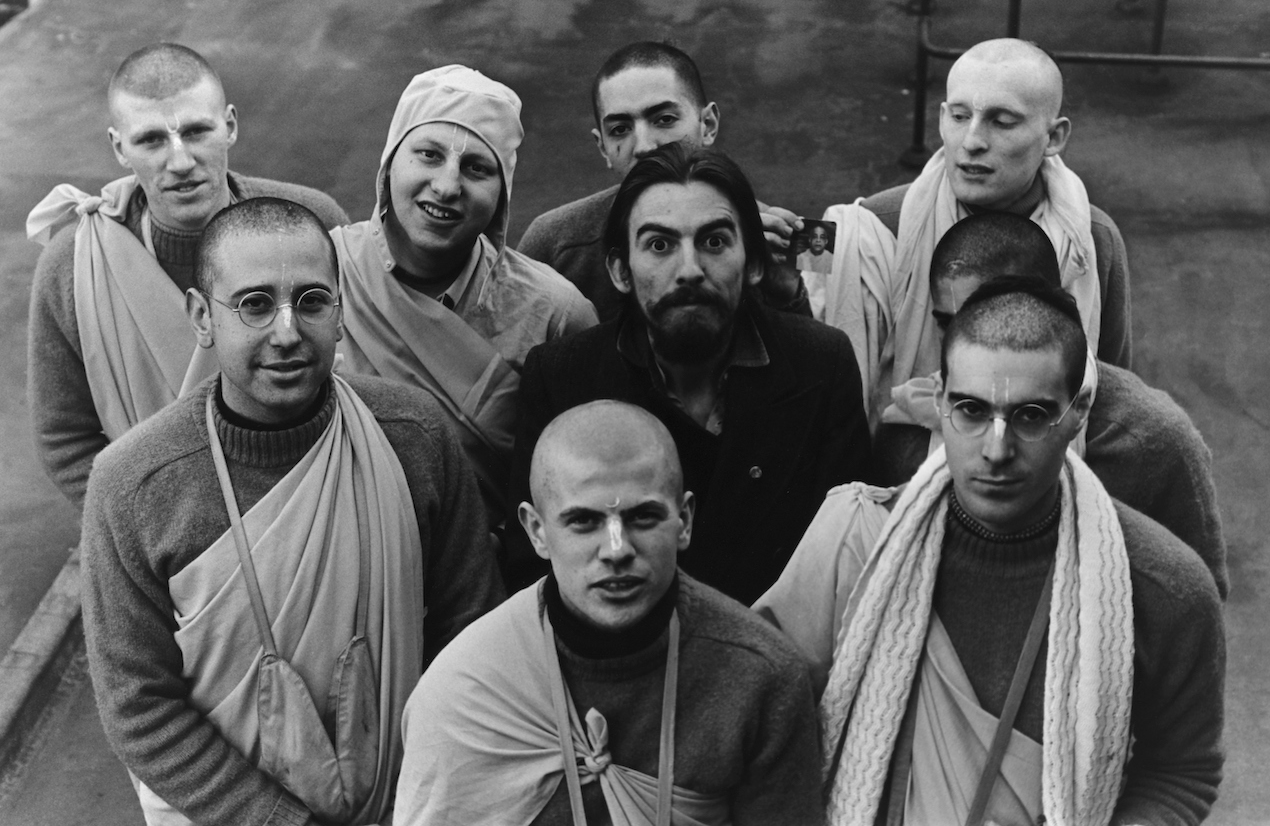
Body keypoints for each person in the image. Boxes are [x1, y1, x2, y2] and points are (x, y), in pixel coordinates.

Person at [81, 198, 503, 826]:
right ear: (202, 316)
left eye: (311, 301)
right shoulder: (133, 483)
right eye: (253, 304)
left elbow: (470, 632)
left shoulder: (412, 435)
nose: (287, 331)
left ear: (341, 310)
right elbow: (138, 706)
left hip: (413, 801)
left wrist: (422, 792)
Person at [757, 282, 1224, 826]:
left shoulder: (1162, 586)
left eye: (1030, 416)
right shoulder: (858, 540)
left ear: (1079, 411)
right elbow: (763, 726)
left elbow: (1182, 772)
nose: (996, 450)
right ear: (938, 401)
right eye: (972, 410)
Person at [396, 400, 824, 826]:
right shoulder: (465, 689)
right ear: (536, 532)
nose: (617, 550)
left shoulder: (761, 675)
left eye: (642, 517)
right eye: (583, 521)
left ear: (685, 521)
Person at [508, 143, 872, 603]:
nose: (690, 270)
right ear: (621, 270)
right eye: (660, 245)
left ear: (755, 263)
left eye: (714, 242)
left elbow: (853, 555)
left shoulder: (822, 365)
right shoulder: (563, 378)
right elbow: (532, 570)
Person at [26, 42, 350, 511]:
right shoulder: (74, 263)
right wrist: (145, 524)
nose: (179, 161)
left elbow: (359, 371)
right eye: (151, 140)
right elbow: (64, 437)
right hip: (160, 530)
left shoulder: (310, 221)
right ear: (119, 147)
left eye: (197, 132)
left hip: (317, 503)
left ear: (231, 126)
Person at [871, 211, 1228, 597]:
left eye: (993, 317)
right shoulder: (909, 424)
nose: (964, 341)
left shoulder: (1152, 439)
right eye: (946, 323)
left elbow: (1195, 599)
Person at [822, 37, 1132, 429]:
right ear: (940, 118)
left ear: (1053, 137)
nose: (971, 142)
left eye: (1002, 122)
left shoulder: (1093, 240)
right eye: (958, 116)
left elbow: (1111, 389)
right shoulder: (872, 230)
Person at [331, 65, 596, 523]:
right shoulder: (322, 275)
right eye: (429, 155)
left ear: (502, 193)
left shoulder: (555, 312)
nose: (448, 185)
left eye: (476, 168)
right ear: (390, 162)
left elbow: (586, 479)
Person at [516, 40, 808, 322]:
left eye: (664, 119)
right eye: (620, 129)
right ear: (603, 146)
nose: (644, 146)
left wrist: (787, 291)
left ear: (707, 125)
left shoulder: (767, 234)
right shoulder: (556, 243)